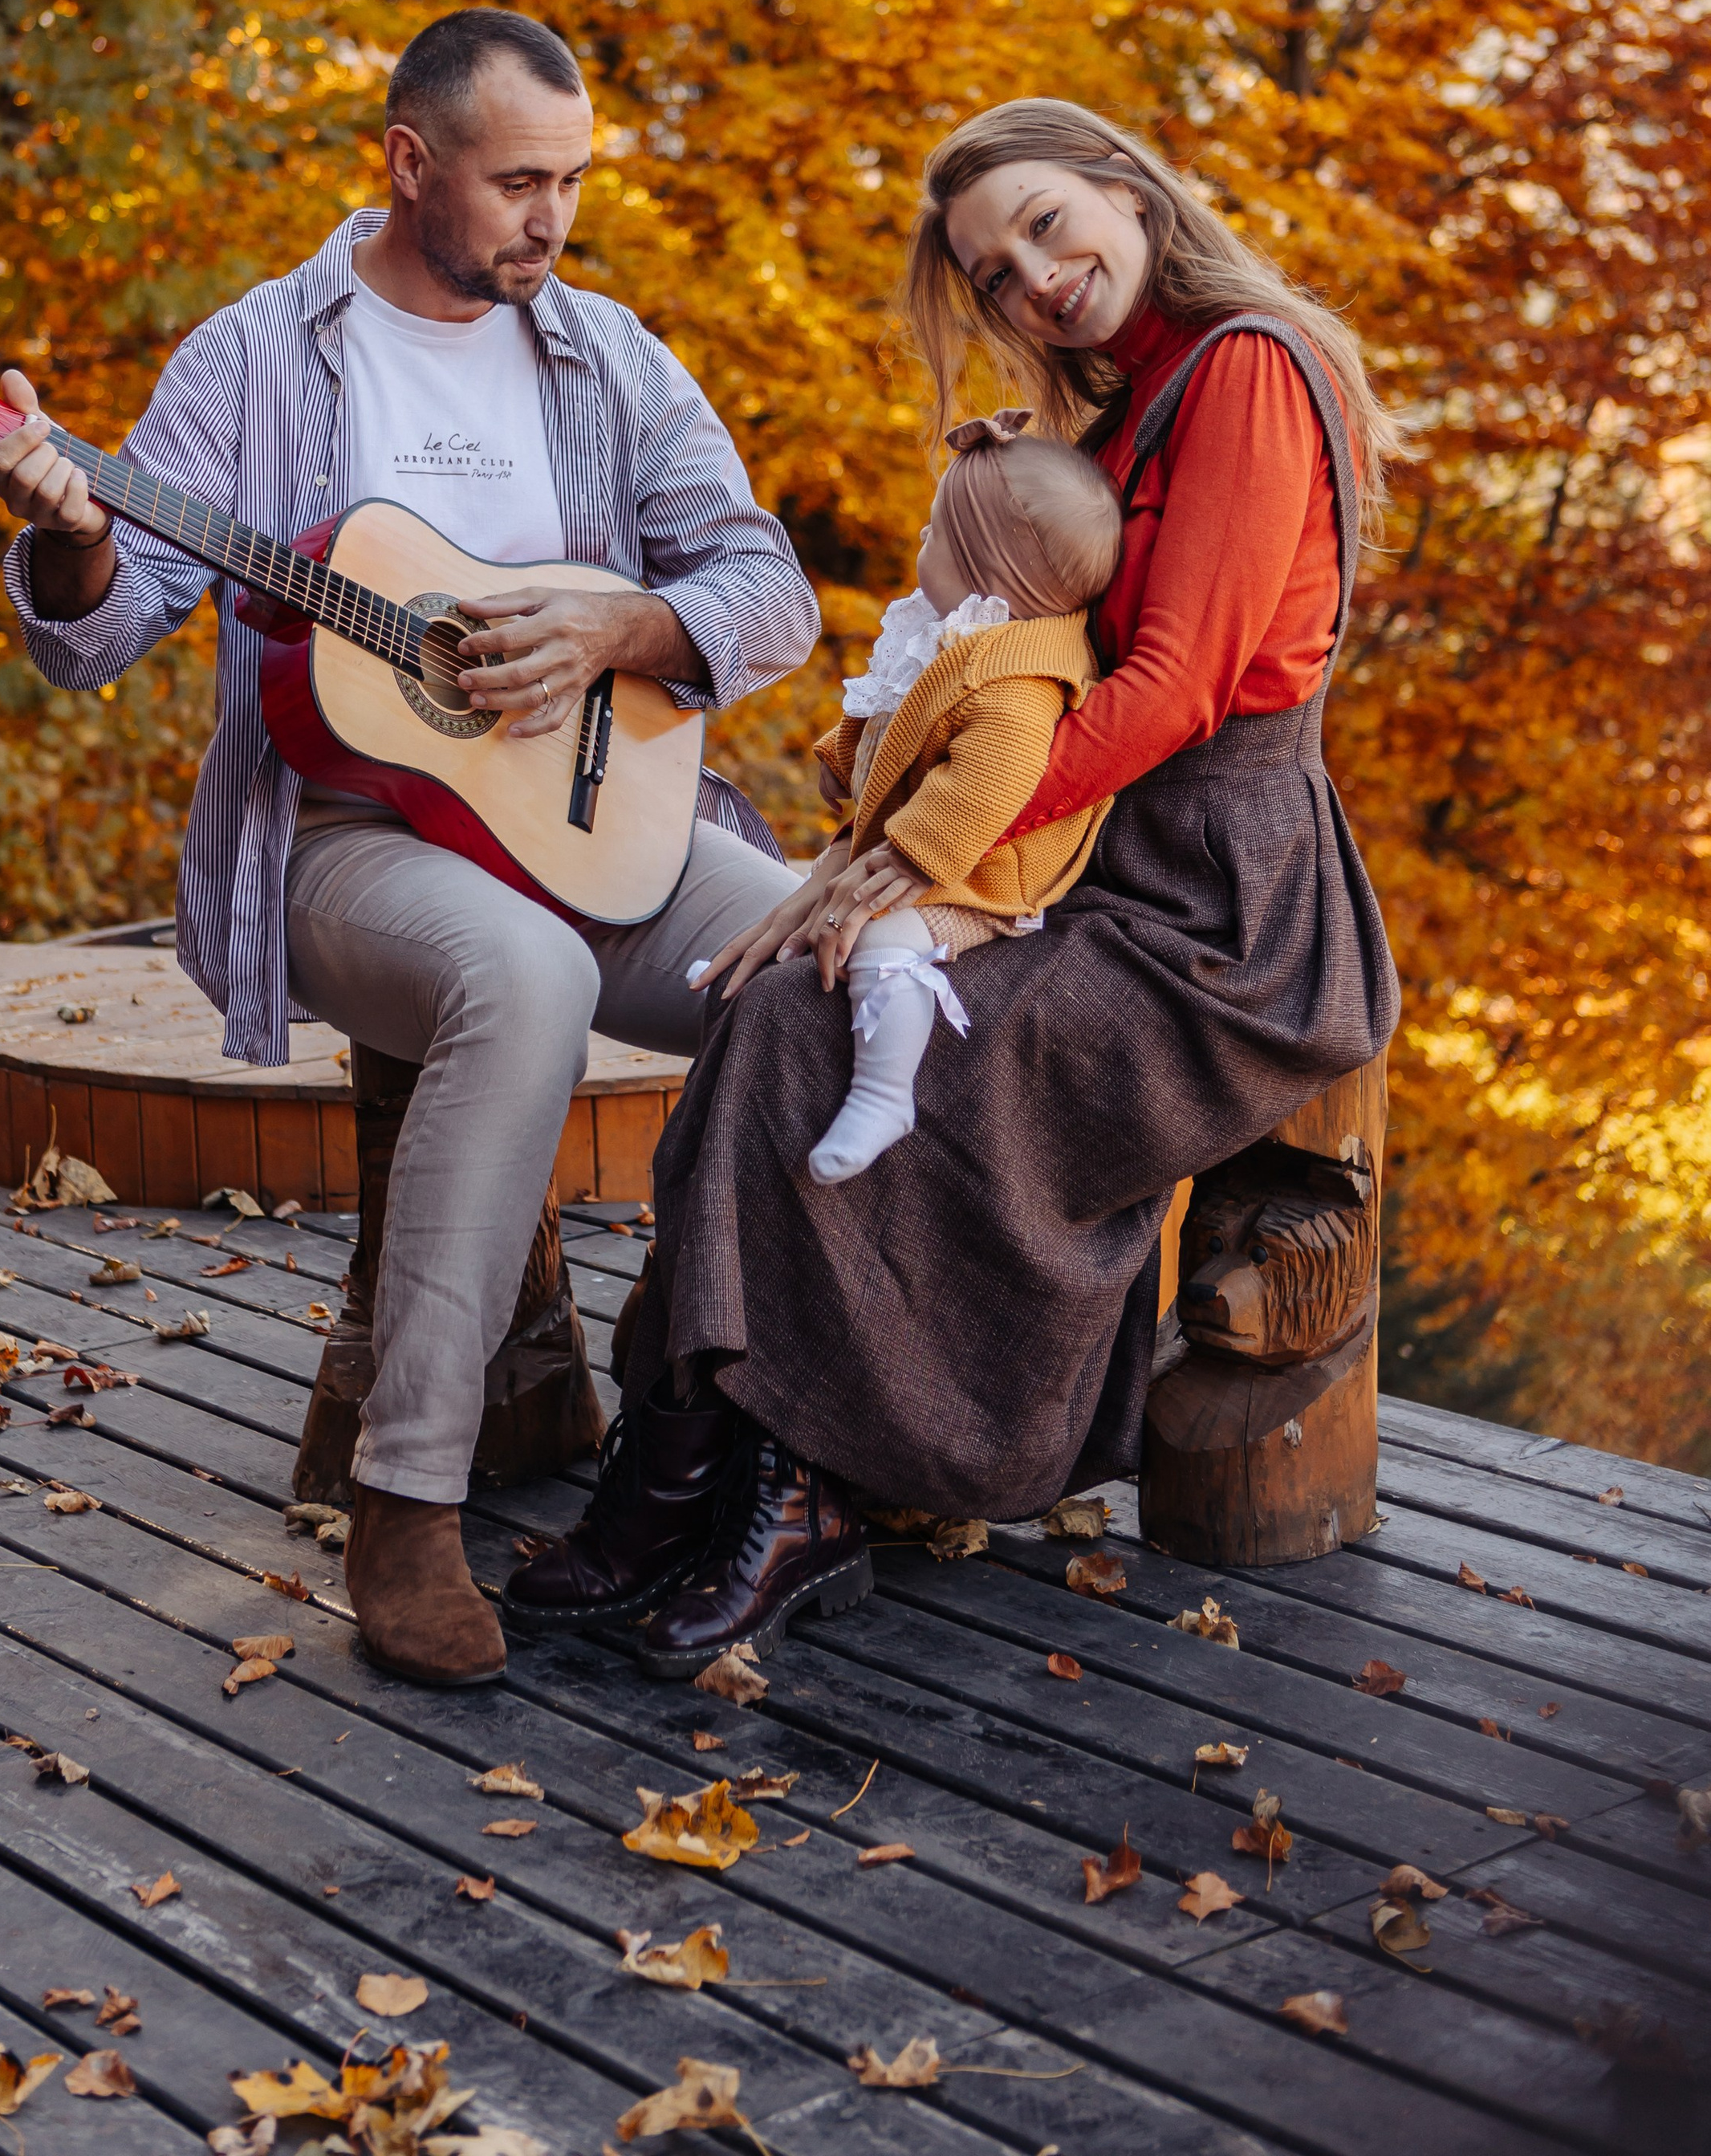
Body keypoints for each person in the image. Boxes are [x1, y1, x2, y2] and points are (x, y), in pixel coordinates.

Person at [502, 96, 1400, 1679]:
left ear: (1126, 190)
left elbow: (1177, 687)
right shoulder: (1124, 405)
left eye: (1047, 226)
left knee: (821, 1017)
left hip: (1217, 914)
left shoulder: (1244, 368)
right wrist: (896, 841)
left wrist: (904, 857)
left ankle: (794, 1492)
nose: (1032, 280)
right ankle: (681, 1465)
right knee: (779, 1002)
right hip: (1078, 856)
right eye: (992, 273)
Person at [0, 9, 817, 1688]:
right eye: (518, 181)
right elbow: (109, 620)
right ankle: (406, 1503)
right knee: (511, 978)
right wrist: (67, 535)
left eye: (570, 182)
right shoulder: (260, 358)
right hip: (347, 845)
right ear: (408, 162)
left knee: (823, 961)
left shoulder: (609, 356)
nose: (551, 218)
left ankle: (740, 1433)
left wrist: (620, 629)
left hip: (598, 822)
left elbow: (767, 588)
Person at [721, 415, 1120, 1186]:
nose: (918, 543)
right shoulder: (951, 640)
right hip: (927, 842)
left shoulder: (1017, 682)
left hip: (984, 872)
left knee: (889, 942)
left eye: (935, 534)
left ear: (988, 572)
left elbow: (986, 783)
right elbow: (894, 722)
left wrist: (913, 856)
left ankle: (882, 1094)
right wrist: (843, 762)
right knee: (833, 917)